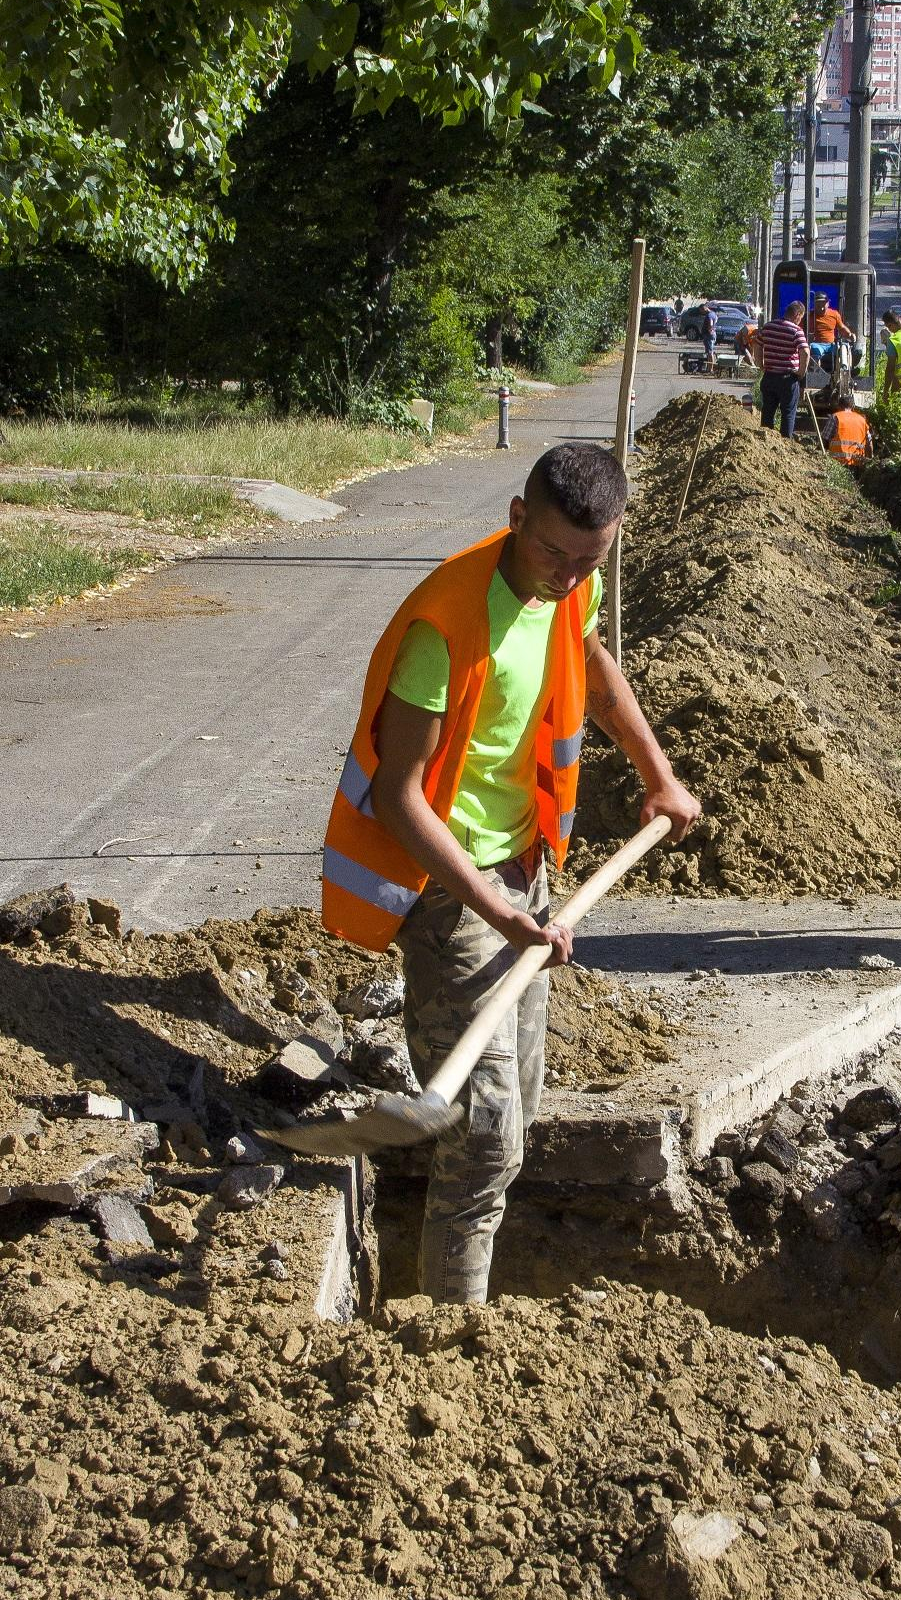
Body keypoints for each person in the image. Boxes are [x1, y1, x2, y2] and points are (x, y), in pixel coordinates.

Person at [322, 443, 701, 1303]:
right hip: (447, 890)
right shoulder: (444, 626)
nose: (567, 578)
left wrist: (657, 771)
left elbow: (592, 664)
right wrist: (496, 912)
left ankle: (468, 1311)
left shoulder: (571, 587)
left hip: (521, 874)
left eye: (588, 561)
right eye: (552, 555)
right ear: (516, 516)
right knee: (484, 1135)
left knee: (514, 1119)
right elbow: (397, 797)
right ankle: (448, 1335)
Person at [757, 298, 811, 438]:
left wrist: (760, 364)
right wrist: (801, 372)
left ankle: (765, 441)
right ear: (797, 315)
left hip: (769, 377)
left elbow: (757, 344)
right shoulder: (796, 331)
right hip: (787, 378)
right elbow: (805, 351)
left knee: (767, 411)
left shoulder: (768, 326)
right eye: (801, 318)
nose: (800, 321)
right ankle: (785, 444)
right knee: (788, 413)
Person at [819, 393, 873, 467]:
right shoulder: (862, 420)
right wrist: (870, 461)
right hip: (858, 463)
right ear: (853, 407)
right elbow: (869, 443)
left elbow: (824, 439)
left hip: (837, 464)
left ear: (838, 406)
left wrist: (818, 452)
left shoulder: (835, 417)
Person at [701, 304, 718, 373]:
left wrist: (709, 330)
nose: (701, 312)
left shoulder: (709, 315)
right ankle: (708, 368)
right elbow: (716, 320)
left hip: (709, 335)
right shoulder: (713, 313)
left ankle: (710, 369)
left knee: (710, 352)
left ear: (704, 308)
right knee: (708, 352)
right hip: (711, 334)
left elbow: (710, 324)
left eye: (701, 310)